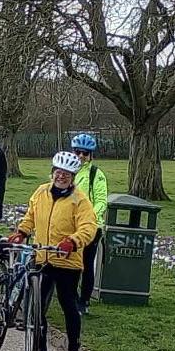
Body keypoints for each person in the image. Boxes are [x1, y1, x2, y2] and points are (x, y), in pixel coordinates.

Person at [8, 151, 97, 351]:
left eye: (66, 174)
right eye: (58, 172)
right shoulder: (41, 192)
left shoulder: (80, 200)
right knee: (36, 305)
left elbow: (89, 227)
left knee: (68, 305)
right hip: (43, 257)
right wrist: (21, 232)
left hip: (67, 261)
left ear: (73, 176)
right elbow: (31, 216)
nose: (61, 177)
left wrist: (73, 241)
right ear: (52, 173)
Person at [71, 133, 109, 315]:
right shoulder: (68, 171)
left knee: (85, 265)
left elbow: (101, 200)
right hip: (70, 225)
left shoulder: (96, 174)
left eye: (85, 154)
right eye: (77, 152)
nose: (80, 157)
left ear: (91, 155)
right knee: (69, 264)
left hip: (91, 227)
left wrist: (89, 218)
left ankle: (84, 301)